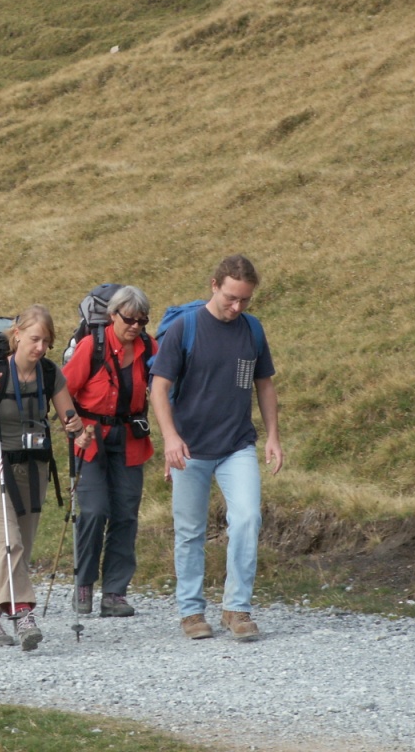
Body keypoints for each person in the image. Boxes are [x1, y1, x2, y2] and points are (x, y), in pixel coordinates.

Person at [149, 255, 283, 641]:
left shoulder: (252, 330)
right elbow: (159, 388)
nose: (237, 307)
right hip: (190, 449)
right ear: (214, 285)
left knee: (247, 518)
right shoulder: (185, 328)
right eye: (230, 298)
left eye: (245, 300)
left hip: (236, 445)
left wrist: (273, 436)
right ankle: (191, 611)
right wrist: (170, 438)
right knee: (190, 530)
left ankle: (236, 608)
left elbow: (264, 384)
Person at [0, 305, 88, 650]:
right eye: (35, 339)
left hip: (32, 468)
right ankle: (24, 614)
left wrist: (79, 431)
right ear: (16, 335)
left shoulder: (49, 373)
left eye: (46, 341)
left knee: (14, 548)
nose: (40, 347)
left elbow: (70, 420)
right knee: (9, 541)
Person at [62, 285, 157, 617]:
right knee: (93, 511)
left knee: (126, 514)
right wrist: (74, 427)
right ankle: (84, 583)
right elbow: (63, 391)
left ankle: (115, 592)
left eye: (142, 321)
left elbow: (163, 386)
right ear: (113, 315)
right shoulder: (92, 346)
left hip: (130, 438)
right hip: (90, 439)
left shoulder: (149, 347)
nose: (135, 326)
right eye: (129, 319)